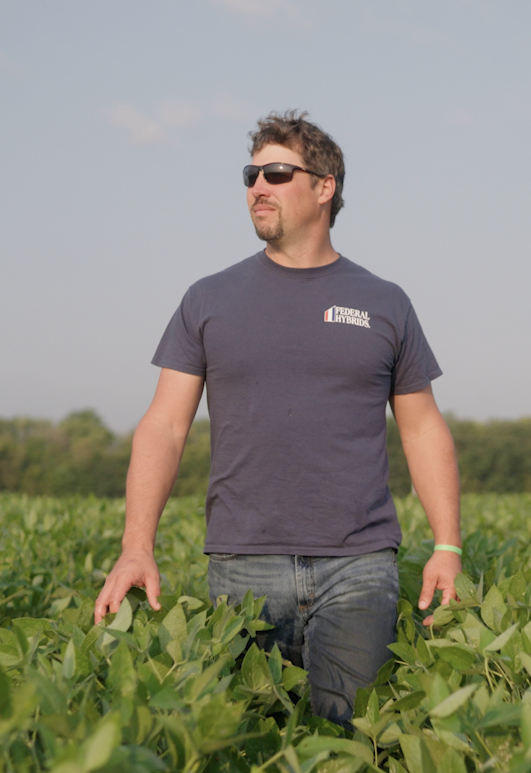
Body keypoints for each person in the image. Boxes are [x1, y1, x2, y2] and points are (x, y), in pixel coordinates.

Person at [92, 110, 462, 726]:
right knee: (243, 749)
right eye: (250, 174)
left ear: (324, 187)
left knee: (346, 745)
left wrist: (446, 544)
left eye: (276, 172)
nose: (257, 187)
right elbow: (164, 425)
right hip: (242, 568)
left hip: (359, 567)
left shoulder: (384, 302)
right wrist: (137, 546)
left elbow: (423, 427)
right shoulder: (208, 298)